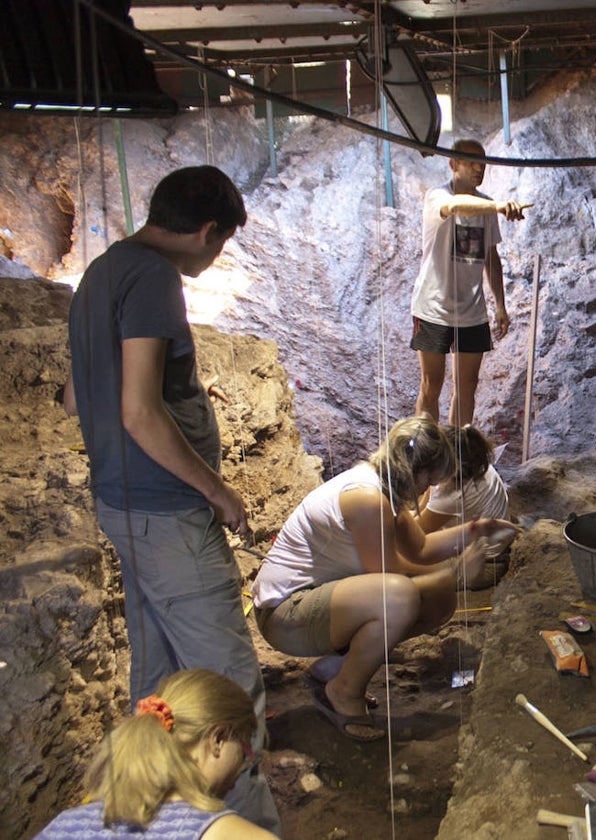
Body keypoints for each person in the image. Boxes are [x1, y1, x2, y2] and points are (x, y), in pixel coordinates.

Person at [62, 166, 279, 833]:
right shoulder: (154, 276)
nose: (212, 261)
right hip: (165, 512)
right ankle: (244, 829)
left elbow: (79, 398)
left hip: (124, 505)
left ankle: (145, 819)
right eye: (220, 247)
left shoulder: (101, 272)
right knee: (227, 689)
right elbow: (138, 411)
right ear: (208, 231)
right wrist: (218, 492)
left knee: (158, 685)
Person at [250, 417, 520, 740]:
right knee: (399, 599)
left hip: (313, 600)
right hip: (283, 614)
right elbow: (392, 582)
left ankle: (334, 670)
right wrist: (458, 573)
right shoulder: (368, 500)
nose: (428, 489)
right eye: (430, 480)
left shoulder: (384, 488)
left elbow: (420, 548)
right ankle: (343, 692)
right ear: (417, 472)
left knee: (437, 600)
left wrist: (477, 530)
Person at [35, 668, 274, 840]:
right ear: (218, 739)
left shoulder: (63, 826)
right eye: (243, 754)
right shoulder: (231, 835)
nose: (236, 778)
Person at [410, 138, 531, 425]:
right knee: (431, 386)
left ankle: (458, 456)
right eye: (471, 162)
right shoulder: (438, 197)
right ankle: (427, 456)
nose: (480, 168)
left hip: (472, 310)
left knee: (467, 388)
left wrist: (500, 305)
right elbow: (456, 207)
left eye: (483, 162)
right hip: (433, 306)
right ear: (453, 164)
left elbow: (491, 257)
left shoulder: (488, 206)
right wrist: (499, 206)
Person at [418, 424, 511, 589]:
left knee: (401, 561)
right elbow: (427, 503)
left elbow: (417, 534)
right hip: (495, 551)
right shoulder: (474, 462)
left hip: (482, 566)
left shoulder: (453, 494)